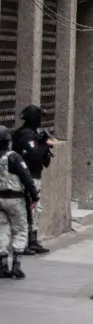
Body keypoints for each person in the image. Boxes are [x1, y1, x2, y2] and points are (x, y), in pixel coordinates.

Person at [12, 105, 53, 255]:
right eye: (39, 117)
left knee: (35, 210)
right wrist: (44, 144)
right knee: (30, 210)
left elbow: (43, 159)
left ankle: (32, 241)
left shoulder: (31, 134)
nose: (41, 120)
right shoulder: (26, 135)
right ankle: (26, 243)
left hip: (33, 176)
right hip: (28, 177)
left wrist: (44, 145)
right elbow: (34, 155)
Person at [0, 126, 38, 279]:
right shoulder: (14, 157)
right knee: (20, 230)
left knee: (1, 230)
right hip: (15, 199)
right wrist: (34, 196)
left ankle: (2, 266)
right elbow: (26, 177)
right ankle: (16, 265)